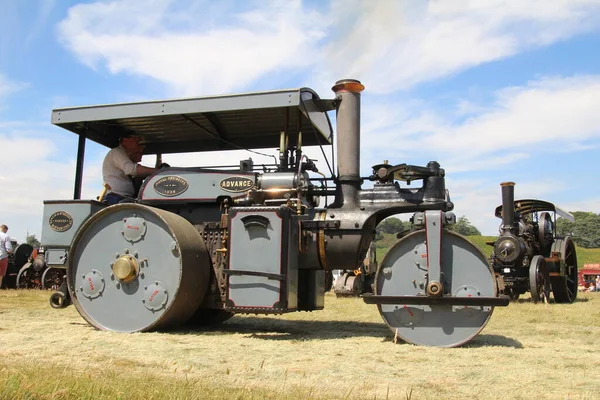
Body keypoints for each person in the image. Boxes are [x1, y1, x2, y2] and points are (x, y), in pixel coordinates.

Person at [102, 134, 158, 205]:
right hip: (116, 198)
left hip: (123, 198)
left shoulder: (123, 155)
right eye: (135, 139)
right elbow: (131, 169)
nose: (138, 142)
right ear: (125, 140)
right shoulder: (116, 152)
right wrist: (158, 171)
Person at [0, 224, 14, 288]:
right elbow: (9, 249)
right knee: (0, 276)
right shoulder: (6, 236)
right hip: (2, 257)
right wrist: (11, 252)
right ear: (5, 229)